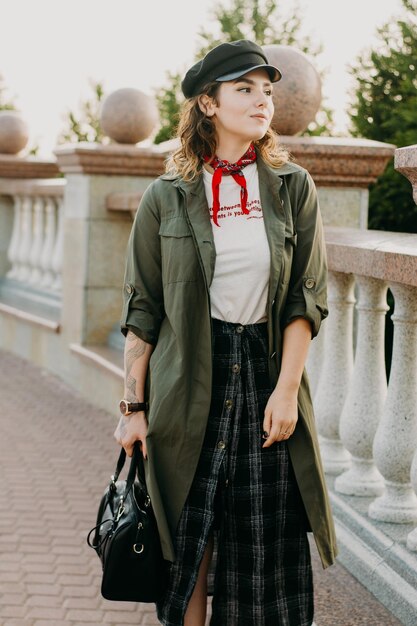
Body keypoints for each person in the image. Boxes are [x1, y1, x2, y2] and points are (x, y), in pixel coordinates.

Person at [115, 39, 337, 626]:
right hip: (189, 375)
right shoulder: (166, 197)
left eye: (268, 89)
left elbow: (303, 300)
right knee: (191, 532)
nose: (263, 100)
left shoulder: (293, 188)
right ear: (208, 104)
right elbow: (143, 309)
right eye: (245, 88)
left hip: (264, 368)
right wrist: (132, 405)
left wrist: (287, 388)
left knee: (262, 537)